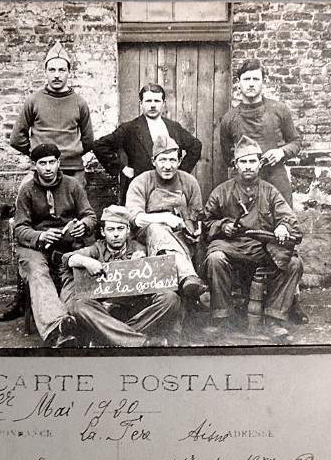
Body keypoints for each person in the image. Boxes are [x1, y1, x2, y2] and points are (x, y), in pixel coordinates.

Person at [0, 40, 94, 322]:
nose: (56, 74)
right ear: (45, 72)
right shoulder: (34, 101)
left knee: (81, 226)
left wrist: (64, 160)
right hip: (38, 174)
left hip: (73, 172)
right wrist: (41, 158)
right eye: (51, 69)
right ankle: (21, 297)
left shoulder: (79, 103)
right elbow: (16, 137)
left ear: (68, 73)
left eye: (61, 70)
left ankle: (80, 294)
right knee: (24, 226)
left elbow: (88, 140)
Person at [219, 59, 308, 324]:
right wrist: (247, 166)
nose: (251, 84)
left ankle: (293, 302)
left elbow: (296, 141)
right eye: (246, 79)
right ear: (239, 84)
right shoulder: (229, 118)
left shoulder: (279, 110)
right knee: (247, 235)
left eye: (256, 79)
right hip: (244, 184)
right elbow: (227, 155)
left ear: (263, 82)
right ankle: (247, 297)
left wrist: (281, 151)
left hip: (276, 179)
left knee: (284, 233)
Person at [202, 136, 304, 338]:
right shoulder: (221, 192)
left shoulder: (270, 192)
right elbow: (206, 223)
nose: (248, 166)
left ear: (259, 164)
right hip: (232, 246)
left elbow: (289, 219)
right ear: (235, 165)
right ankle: (223, 319)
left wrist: (283, 226)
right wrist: (223, 226)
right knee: (215, 258)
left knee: (293, 262)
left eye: (252, 161)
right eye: (243, 162)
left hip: (262, 247)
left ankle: (274, 319)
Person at [13, 142, 97, 347]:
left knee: (75, 270)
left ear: (59, 163)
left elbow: (90, 215)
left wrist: (83, 226)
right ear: (35, 166)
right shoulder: (27, 190)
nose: (48, 168)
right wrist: (40, 236)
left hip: (67, 245)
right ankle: (56, 325)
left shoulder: (72, 185)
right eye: (43, 163)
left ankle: (73, 321)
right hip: (36, 248)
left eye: (52, 162)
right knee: (38, 271)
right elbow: (20, 229)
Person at [64, 206, 182, 347]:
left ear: (128, 231)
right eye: (111, 229)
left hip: (134, 310)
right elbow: (66, 258)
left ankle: (108, 338)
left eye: (120, 229)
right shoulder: (97, 249)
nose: (115, 234)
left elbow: (158, 278)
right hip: (105, 312)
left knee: (171, 298)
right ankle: (142, 342)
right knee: (79, 306)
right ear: (102, 232)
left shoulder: (139, 248)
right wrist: (85, 261)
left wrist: (143, 263)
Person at [125, 134, 208, 303]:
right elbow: (135, 218)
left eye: (172, 160)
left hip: (182, 237)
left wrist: (197, 230)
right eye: (162, 160)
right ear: (153, 161)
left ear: (179, 162)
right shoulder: (141, 182)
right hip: (147, 237)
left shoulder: (189, 182)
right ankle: (187, 277)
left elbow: (198, 215)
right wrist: (164, 218)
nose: (168, 166)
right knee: (157, 229)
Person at [93, 83, 202, 204]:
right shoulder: (130, 128)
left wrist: (180, 172)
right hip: (142, 190)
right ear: (141, 103)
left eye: (157, 101)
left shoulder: (173, 127)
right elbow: (100, 145)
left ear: (163, 103)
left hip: (171, 190)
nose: (153, 105)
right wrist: (122, 168)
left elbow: (195, 146)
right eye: (148, 101)